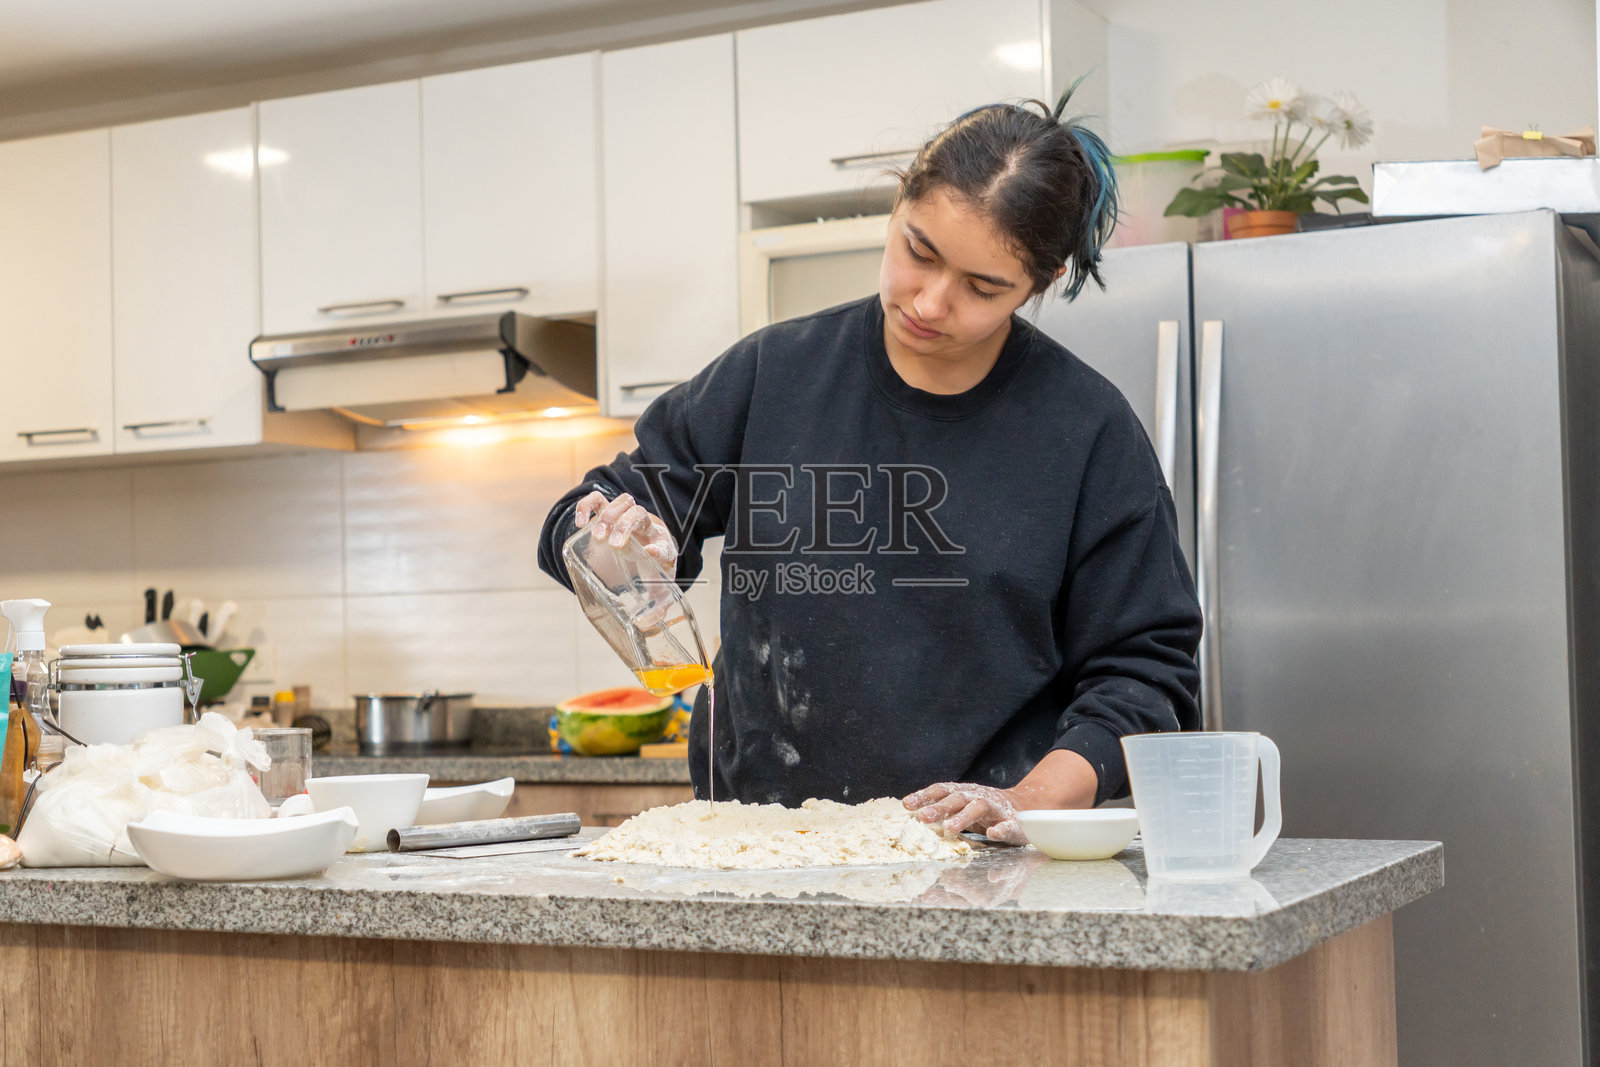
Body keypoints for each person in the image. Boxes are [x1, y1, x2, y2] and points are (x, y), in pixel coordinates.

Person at [538, 85, 1202, 844]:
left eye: (983, 287)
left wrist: (1025, 797)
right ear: (897, 205)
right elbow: (598, 510)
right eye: (918, 251)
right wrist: (616, 543)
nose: (930, 301)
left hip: (981, 869)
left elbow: (1146, 675)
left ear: (1041, 282)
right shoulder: (769, 377)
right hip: (757, 856)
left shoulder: (1088, 433)